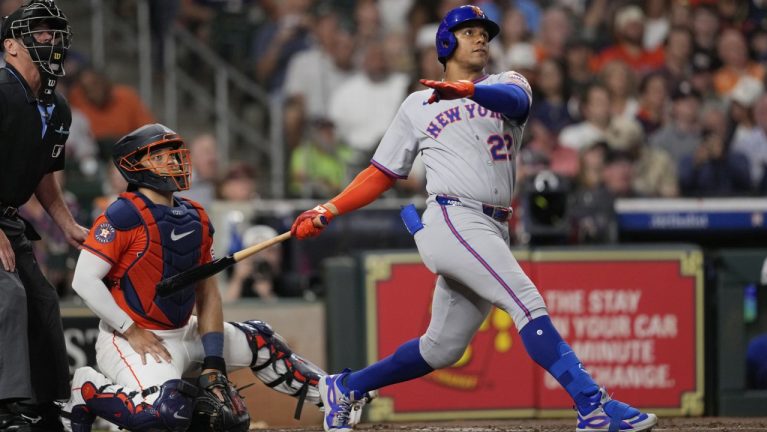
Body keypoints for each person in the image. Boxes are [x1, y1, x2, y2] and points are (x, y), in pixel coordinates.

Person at [290, 6, 658, 432]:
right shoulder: (417, 104)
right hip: (453, 217)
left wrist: (467, 90)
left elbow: (517, 102)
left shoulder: (507, 82)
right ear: (445, 43)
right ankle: (592, 405)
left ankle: (346, 387)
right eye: (469, 32)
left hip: (493, 225)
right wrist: (328, 208)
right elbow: (381, 173)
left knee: (441, 348)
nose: (481, 38)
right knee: (526, 302)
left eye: (484, 32)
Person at [58, 124, 334, 432]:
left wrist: (214, 361)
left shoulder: (197, 215)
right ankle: (86, 390)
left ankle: (332, 395)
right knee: (164, 414)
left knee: (261, 340)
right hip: (131, 339)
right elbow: (83, 281)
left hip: (185, 331)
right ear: (134, 166)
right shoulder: (123, 214)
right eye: (161, 157)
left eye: (175, 154)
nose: (175, 162)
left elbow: (208, 293)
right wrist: (130, 330)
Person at [0, 1, 89, 430]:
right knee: (8, 295)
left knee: (42, 300)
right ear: (10, 46)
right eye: (38, 32)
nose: (49, 40)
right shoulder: (0, 90)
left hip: (8, 217)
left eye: (53, 32)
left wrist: (67, 223)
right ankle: (9, 408)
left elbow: (45, 175)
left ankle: (46, 405)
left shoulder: (57, 107)